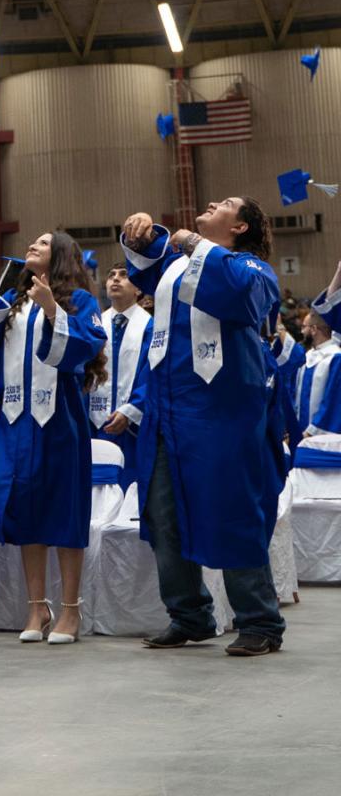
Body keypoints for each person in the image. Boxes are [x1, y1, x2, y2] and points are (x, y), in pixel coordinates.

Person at [121, 199, 286, 656]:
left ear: (239, 226)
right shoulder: (178, 267)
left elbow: (240, 294)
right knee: (162, 514)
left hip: (221, 409)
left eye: (225, 204)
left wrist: (195, 243)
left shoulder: (253, 267)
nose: (212, 203)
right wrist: (144, 233)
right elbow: (148, 267)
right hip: (166, 408)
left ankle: (260, 621)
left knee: (231, 507)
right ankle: (189, 615)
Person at [0, 227, 105, 645]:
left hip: (58, 422)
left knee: (63, 511)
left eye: (42, 242)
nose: (32, 245)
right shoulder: (16, 306)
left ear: (59, 255)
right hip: (13, 420)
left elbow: (88, 346)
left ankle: (70, 610)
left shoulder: (81, 302)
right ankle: (36, 607)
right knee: (24, 511)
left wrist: (54, 309)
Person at [90, 264, 153, 483]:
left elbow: (152, 372)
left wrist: (131, 410)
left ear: (138, 289)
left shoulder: (150, 326)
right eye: (111, 275)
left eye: (124, 276)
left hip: (134, 426)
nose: (115, 279)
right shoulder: (94, 323)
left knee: (131, 491)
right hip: (95, 423)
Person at [294, 308, 340, 435]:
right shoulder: (307, 356)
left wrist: (311, 431)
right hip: (300, 432)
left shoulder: (335, 357)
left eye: (304, 327)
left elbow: (333, 401)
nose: (302, 331)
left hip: (322, 435)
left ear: (314, 329)